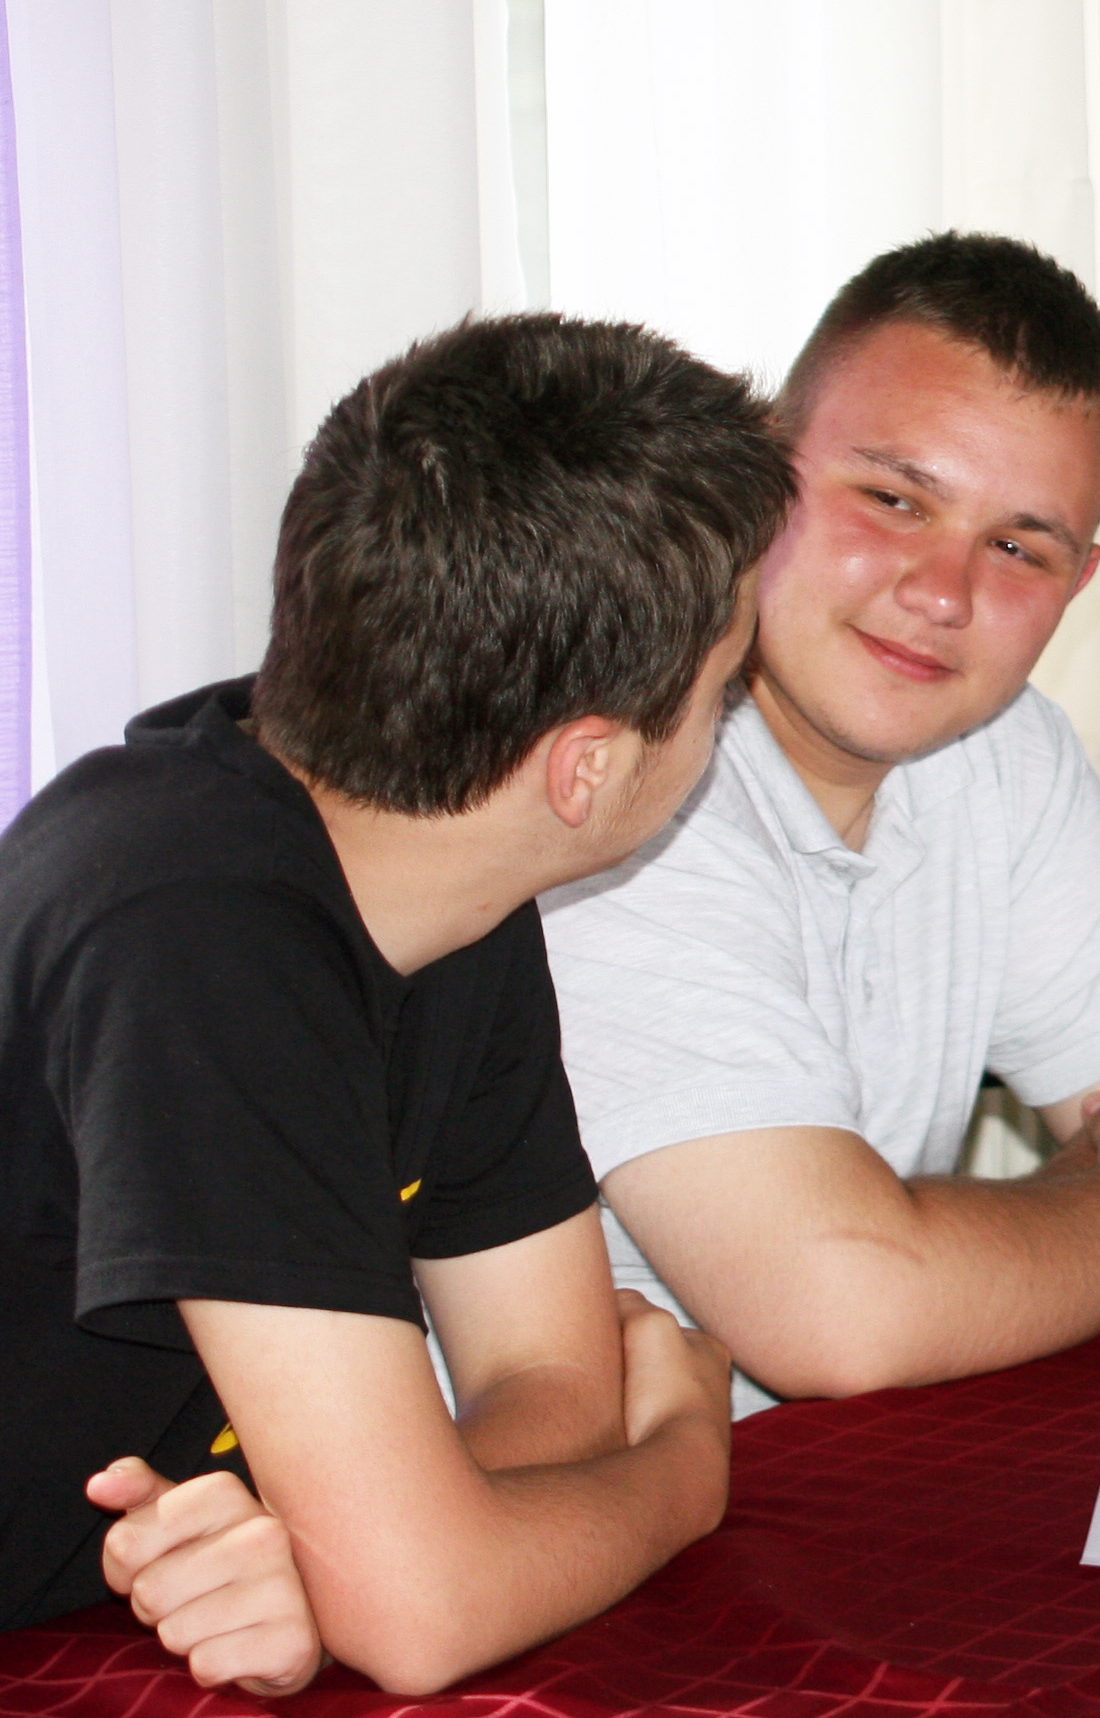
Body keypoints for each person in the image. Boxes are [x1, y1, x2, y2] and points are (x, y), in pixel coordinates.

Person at [0, 316, 793, 1693]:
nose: (730, 717)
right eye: (724, 692)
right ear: (584, 767)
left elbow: (551, 1383)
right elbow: (424, 1615)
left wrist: (348, 1554)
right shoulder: (192, 929)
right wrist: (680, 1470)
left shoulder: (444, 883)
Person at [542, 235, 1100, 1415]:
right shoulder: (615, 780)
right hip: (551, 1497)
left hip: (837, 1462)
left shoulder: (1001, 751)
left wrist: (944, 1255)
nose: (944, 593)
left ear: (1079, 585)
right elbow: (838, 1314)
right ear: (760, 474)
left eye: (1018, 548)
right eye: (893, 501)